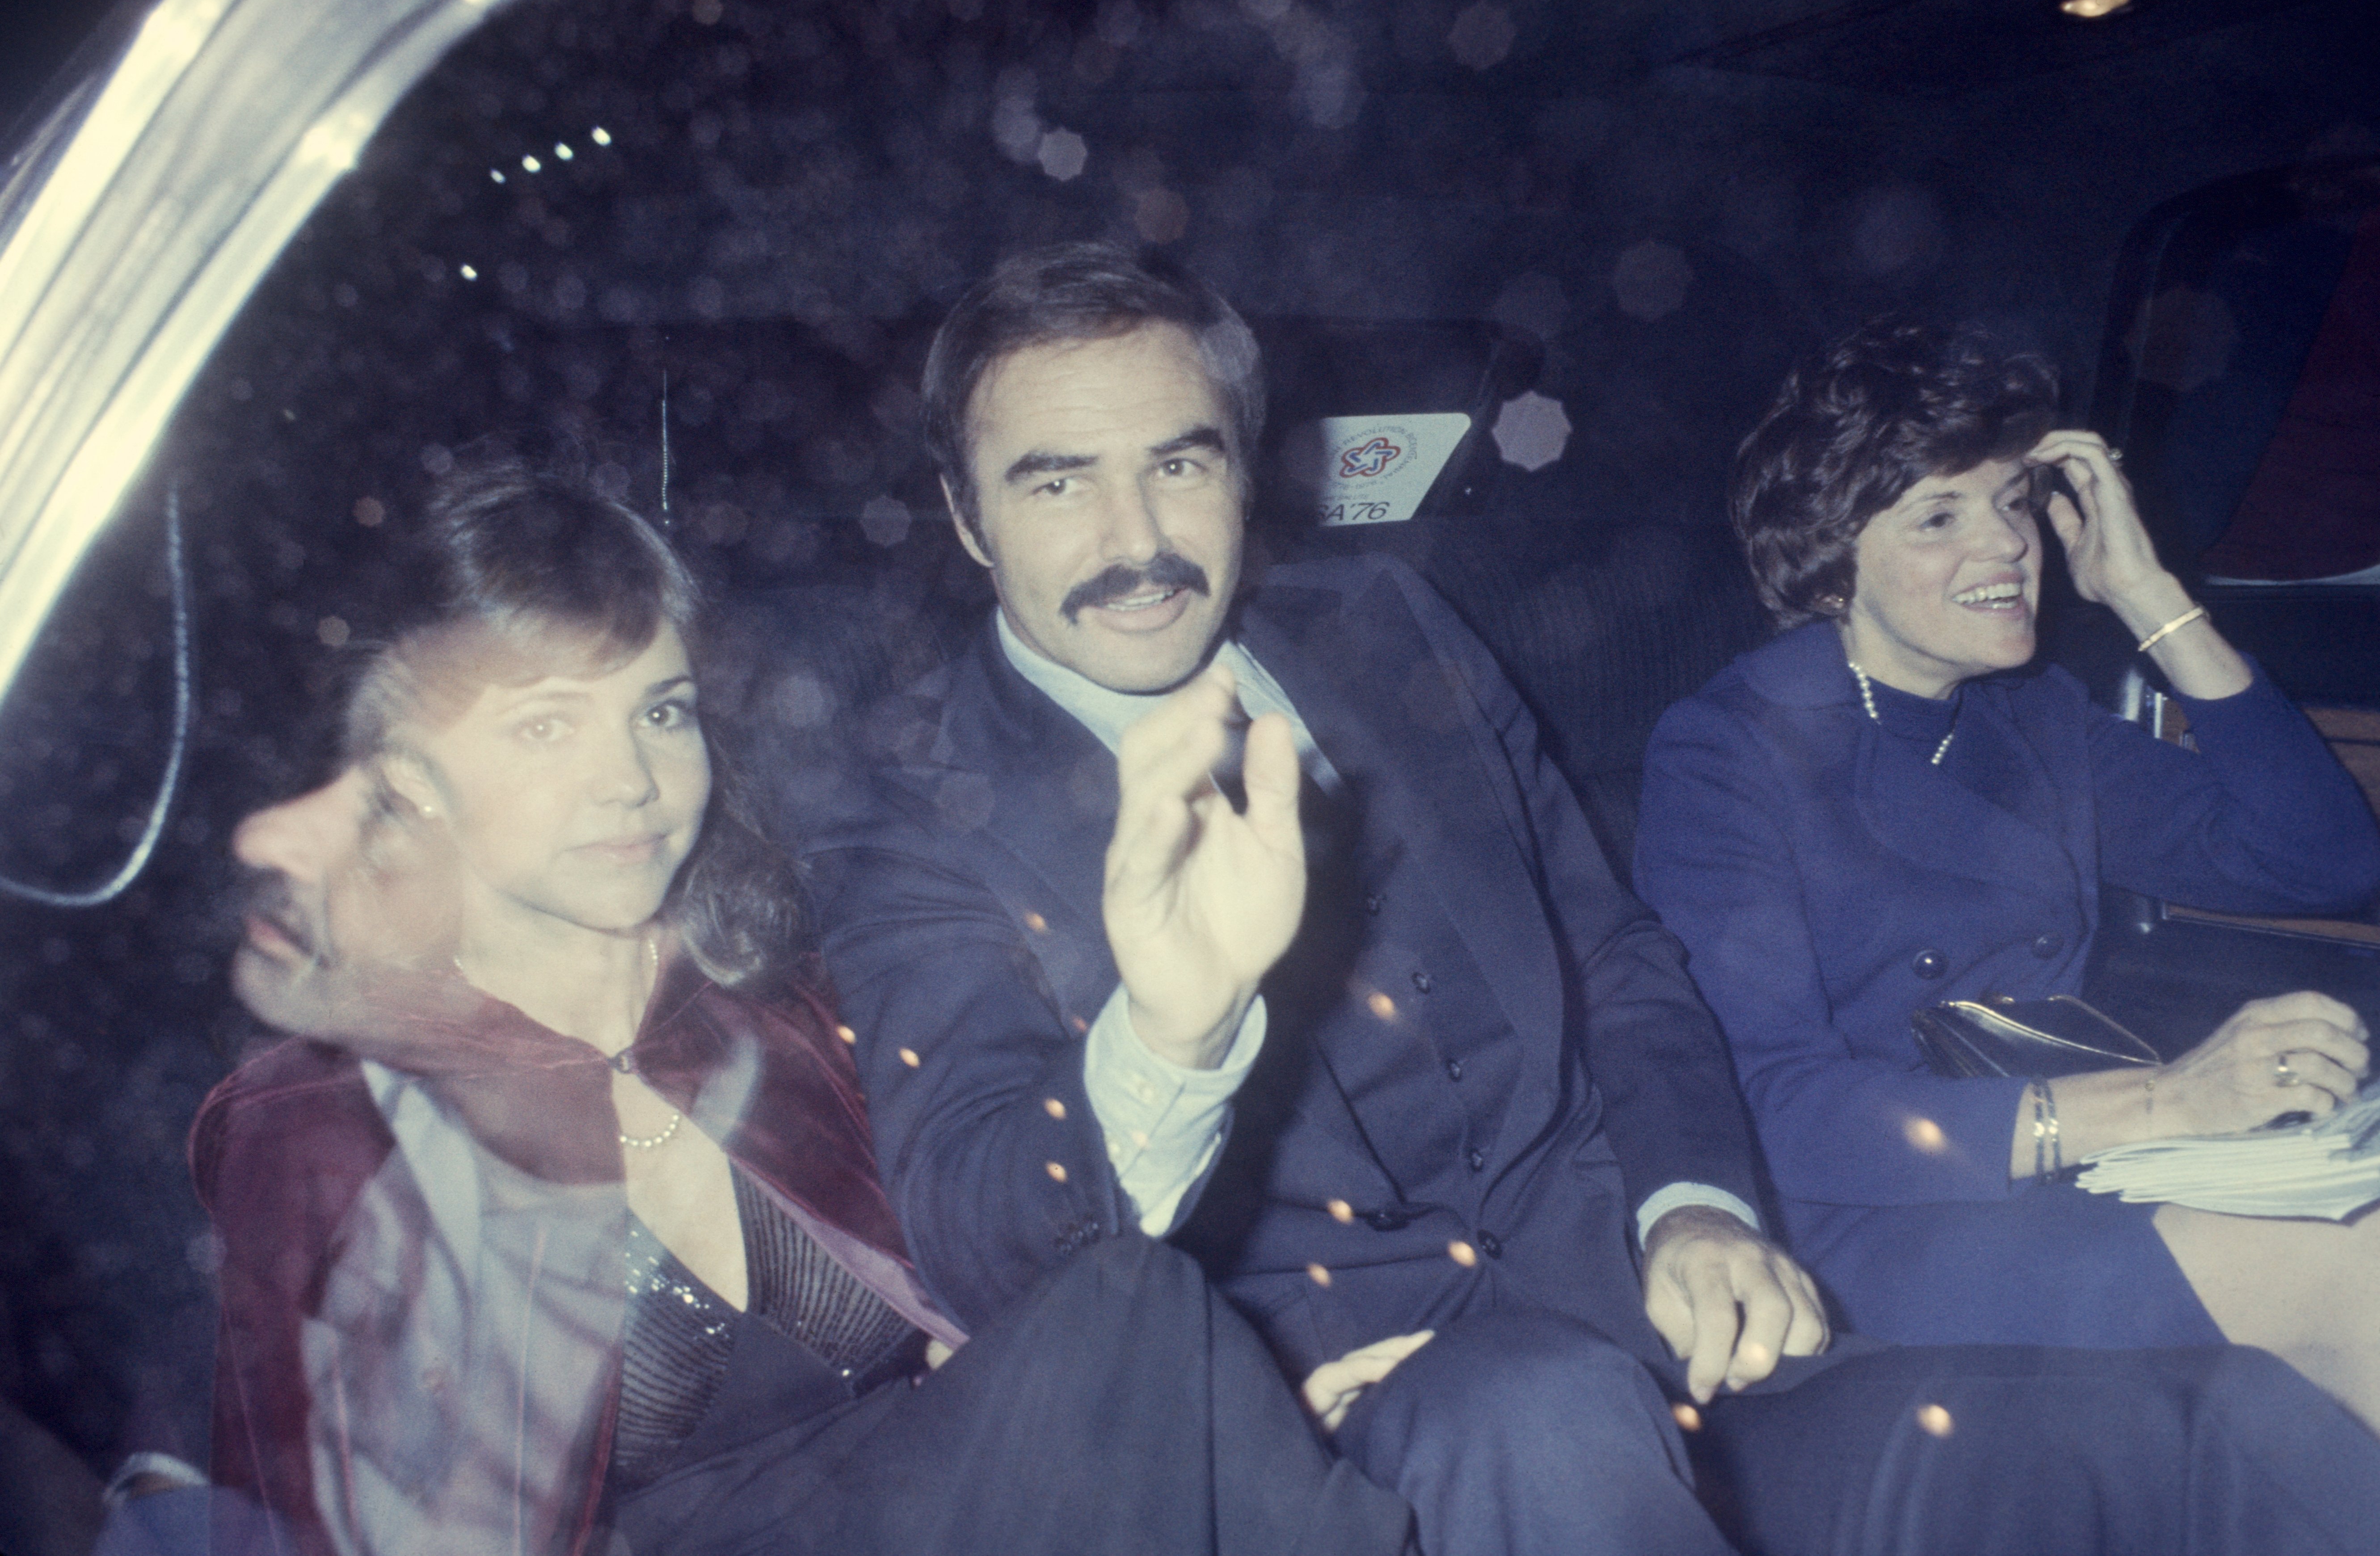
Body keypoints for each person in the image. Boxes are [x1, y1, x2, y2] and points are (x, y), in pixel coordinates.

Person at [803, 243, 2380, 1556]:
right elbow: (978, 1229)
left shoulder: (1390, 630)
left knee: (2232, 1428)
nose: (1135, 540)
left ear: (1241, 471)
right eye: (1057, 482)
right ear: (964, 517)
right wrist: (1170, 1026)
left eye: (1178, 462)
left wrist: (1689, 1203)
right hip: (1351, 1412)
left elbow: (1617, 959)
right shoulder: (904, 817)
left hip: (1667, 1326)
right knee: (1539, 1413)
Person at [191, 454, 1417, 1556]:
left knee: (1142, 1311)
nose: (629, 779)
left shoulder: (765, 1019)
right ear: (411, 778)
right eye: (545, 725)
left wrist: (1201, 1420)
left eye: (660, 711)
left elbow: (1015, 1284)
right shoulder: (331, 1123)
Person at [1633, 318, 2380, 1429]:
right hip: (1873, 1214)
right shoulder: (1728, 749)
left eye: (2012, 503)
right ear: (1830, 560)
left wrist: (2146, 595)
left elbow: (2318, 858)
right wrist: (2161, 1101)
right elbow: (1773, 1102)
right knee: (2354, 1280)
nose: (2005, 547)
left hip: (2088, 1157)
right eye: (1939, 516)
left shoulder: (2033, 720)